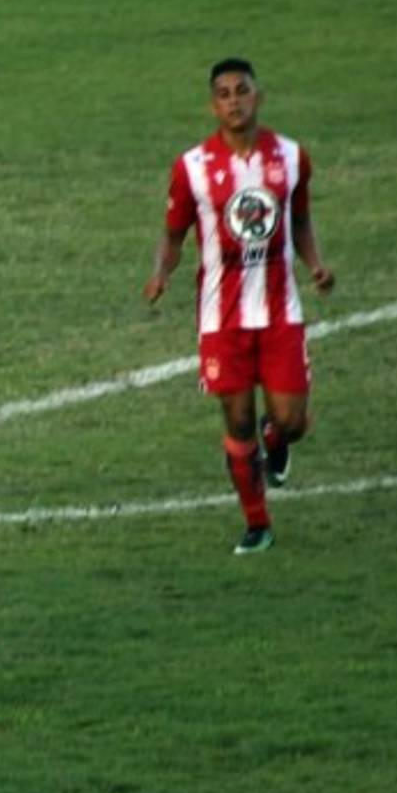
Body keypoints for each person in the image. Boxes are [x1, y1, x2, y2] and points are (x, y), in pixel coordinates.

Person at [143, 58, 334, 554]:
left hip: (280, 312)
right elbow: (173, 233)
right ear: (214, 105)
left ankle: (277, 438)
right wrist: (162, 272)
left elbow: (300, 220)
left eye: (241, 91)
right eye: (224, 94)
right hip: (221, 318)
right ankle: (257, 523)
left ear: (258, 96)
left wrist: (316, 264)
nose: (234, 101)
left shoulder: (291, 156)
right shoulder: (192, 167)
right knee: (238, 420)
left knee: (292, 421)